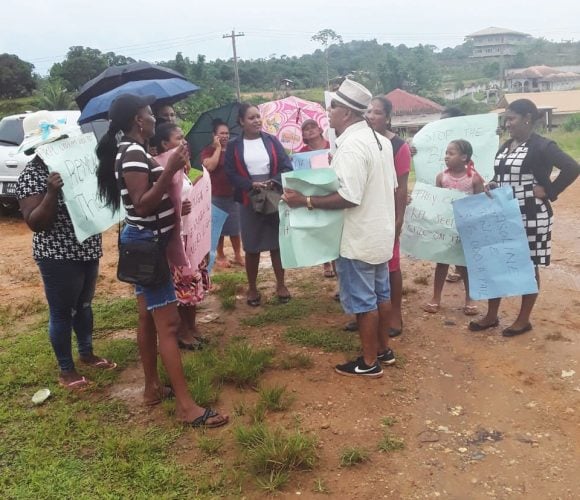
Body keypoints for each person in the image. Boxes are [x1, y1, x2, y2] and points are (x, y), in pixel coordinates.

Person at [96, 93, 227, 428]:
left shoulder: (133, 150)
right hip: (148, 245)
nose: (156, 118)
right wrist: (169, 170)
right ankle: (187, 408)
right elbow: (141, 205)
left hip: (147, 243)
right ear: (139, 121)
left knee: (146, 318)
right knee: (168, 326)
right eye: (150, 113)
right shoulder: (134, 154)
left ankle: (152, 388)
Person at [283, 79, 398, 378]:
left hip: (359, 236)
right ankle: (384, 350)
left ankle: (369, 362)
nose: (328, 112)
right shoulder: (380, 141)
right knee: (381, 295)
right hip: (380, 232)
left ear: (346, 113)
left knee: (364, 302)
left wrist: (304, 200)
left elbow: (348, 196)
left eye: (332, 107)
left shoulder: (352, 145)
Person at [16, 110, 116, 390]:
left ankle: (86, 353)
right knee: (62, 311)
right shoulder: (32, 176)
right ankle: (66, 369)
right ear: (37, 147)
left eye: (59, 140)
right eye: (51, 142)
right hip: (57, 255)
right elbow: (35, 223)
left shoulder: (77, 165)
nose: (56, 146)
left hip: (87, 248)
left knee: (84, 305)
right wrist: (51, 193)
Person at [469, 99, 580, 337]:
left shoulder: (543, 146)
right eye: (506, 119)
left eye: (511, 119)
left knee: (528, 266)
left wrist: (550, 191)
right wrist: (493, 185)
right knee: (497, 261)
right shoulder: (507, 145)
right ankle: (491, 315)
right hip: (503, 214)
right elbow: (503, 176)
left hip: (531, 216)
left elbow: (572, 167)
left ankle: (523, 319)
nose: (507, 123)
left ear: (527, 118)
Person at [225, 103, 293, 307]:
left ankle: (281, 284)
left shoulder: (271, 141)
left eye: (258, 117)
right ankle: (253, 287)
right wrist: (249, 184)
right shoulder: (234, 146)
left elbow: (286, 165)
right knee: (252, 246)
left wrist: (274, 180)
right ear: (241, 122)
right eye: (251, 117)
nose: (256, 120)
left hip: (272, 196)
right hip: (248, 198)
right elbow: (230, 172)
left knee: (276, 244)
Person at [154, 122, 210, 350]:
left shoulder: (180, 167)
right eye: (178, 138)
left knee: (193, 283)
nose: (184, 141)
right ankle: (182, 332)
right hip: (177, 239)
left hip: (191, 236)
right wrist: (178, 210)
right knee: (182, 287)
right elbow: (156, 201)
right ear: (165, 144)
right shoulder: (160, 168)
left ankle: (192, 327)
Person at [422, 140, 484, 316]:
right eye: (446, 153)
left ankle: (470, 298)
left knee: (463, 265)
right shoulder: (441, 177)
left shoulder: (474, 178)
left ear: (464, 157)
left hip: (465, 229)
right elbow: (438, 202)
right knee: (441, 262)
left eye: (451, 153)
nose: (446, 157)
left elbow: (479, 205)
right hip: (446, 229)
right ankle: (436, 297)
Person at [201, 120, 244, 268]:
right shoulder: (208, 151)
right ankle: (220, 255)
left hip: (233, 195)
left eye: (227, 133)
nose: (225, 136)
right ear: (215, 135)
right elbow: (211, 166)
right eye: (221, 133)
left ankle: (238, 254)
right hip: (216, 196)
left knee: (235, 227)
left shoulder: (235, 149)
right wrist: (218, 148)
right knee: (219, 228)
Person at [298, 119, 335, 278]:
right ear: (303, 135)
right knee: (319, 229)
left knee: (333, 230)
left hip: (331, 190)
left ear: (320, 130)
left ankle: (335, 263)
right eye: (306, 129)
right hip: (312, 192)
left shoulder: (332, 146)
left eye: (313, 127)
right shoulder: (301, 152)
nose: (310, 130)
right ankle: (326, 262)